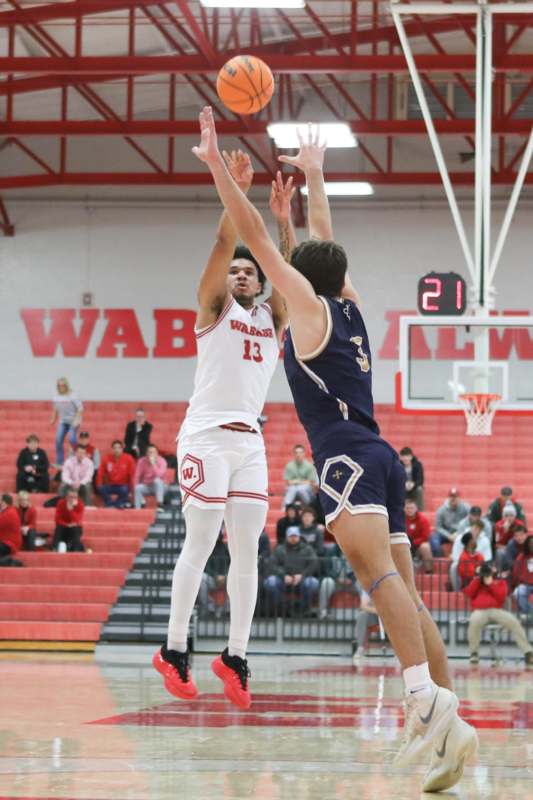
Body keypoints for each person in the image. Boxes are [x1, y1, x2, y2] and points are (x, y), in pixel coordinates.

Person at [195, 107, 476, 788]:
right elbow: (320, 243)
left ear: (298, 277)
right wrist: (314, 178)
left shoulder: (309, 309)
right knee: (404, 593)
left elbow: (261, 241)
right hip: (379, 453)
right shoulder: (346, 304)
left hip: (346, 456)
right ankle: (446, 725)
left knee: (378, 584)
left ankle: (423, 702)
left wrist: (215, 169)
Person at [153, 150, 290, 712]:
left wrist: (283, 221)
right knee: (202, 541)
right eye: (236, 270)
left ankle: (235, 655)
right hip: (206, 436)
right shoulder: (214, 309)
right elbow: (219, 248)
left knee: (249, 552)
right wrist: (232, 191)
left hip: (249, 441)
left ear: (259, 281)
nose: (240, 273)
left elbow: (287, 270)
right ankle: (174, 648)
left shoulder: (272, 318)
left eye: (248, 270)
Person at [463, 562, 532, 667]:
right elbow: (468, 593)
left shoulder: (500, 582)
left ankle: (528, 652)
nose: (486, 574)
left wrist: (490, 584)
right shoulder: (477, 582)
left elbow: (501, 597)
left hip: (496, 610)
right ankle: (474, 653)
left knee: (514, 622)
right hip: (480, 611)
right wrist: (478, 579)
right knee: (474, 620)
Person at [263, 528, 319, 615]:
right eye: (291, 536)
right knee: (270, 582)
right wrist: (283, 575)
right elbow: (272, 565)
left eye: (295, 536)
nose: (293, 538)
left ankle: (304, 609)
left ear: (299, 537)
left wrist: (302, 575)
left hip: (302, 579)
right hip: (282, 579)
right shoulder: (279, 549)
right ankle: (280, 608)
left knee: (312, 583)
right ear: (287, 537)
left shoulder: (308, 549)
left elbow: (314, 564)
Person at [318, 542, 357, 620]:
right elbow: (327, 569)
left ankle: (365, 612)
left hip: (351, 582)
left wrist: (352, 579)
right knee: (327, 581)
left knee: (363, 583)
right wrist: (336, 578)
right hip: (336, 582)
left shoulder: (355, 551)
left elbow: (360, 569)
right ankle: (323, 611)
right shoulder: (331, 551)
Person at [51, 377, 83, 469]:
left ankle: (78, 454)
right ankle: (60, 461)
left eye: (63, 385)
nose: (61, 387)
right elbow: (55, 409)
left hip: (73, 421)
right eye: (59, 385)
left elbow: (80, 408)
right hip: (63, 421)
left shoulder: (72, 395)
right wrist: (53, 418)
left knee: (72, 439)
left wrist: (76, 420)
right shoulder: (56, 397)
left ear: (66, 385)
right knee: (58, 440)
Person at [450, 519, 491, 591]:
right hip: (466, 575)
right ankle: (457, 590)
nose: (476, 531)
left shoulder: (483, 544)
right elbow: (456, 558)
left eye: (479, 529)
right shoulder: (461, 540)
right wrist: (476, 571)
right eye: (475, 528)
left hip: (478, 575)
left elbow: (486, 560)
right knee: (454, 566)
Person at [199, 530, 230, 618]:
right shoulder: (207, 548)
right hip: (212, 578)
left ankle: (226, 610)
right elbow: (205, 567)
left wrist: (225, 575)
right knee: (201, 578)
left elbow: (230, 564)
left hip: (225, 579)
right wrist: (216, 576)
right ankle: (209, 608)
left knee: (236, 580)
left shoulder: (225, 548)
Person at [430, 488, 470, 557]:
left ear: (459, 498)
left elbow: (470, 521)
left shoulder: (466, 507)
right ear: (448, 498)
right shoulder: (441, 510)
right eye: (451, 497)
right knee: (434, 538)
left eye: (455, 497)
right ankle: (440, 560)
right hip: (446, 533)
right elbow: (438, 527)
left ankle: (466, 557)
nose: (453, 499)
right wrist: (449, 536)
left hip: (461, 532)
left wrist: (459, 533)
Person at [97, 440, 136, 508]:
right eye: (115, 448)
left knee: (125, 490)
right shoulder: (106, 458)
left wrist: (131, 489)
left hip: (123, 485)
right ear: (112, 449)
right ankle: (111, 504)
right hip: (110, 485)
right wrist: (99, 484)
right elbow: (100, 473)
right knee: (100, 488)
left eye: (119, 448)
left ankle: (115, 504)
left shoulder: (129, 458)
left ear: (122, 449)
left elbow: (132, 475)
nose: (117, 450)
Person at [134, 444, 168, 509]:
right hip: (147, 485)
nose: (151, 454)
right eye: (149, 452)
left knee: (157, 480)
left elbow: (159, 475)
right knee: (137, 488)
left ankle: (160, 504)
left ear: (157, 453)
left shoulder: (162, 461)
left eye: (153, 452)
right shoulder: (141, 461)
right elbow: (137, 476)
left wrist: (153, 464)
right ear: (146, 453)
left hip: (161, 487)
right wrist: (135, 486)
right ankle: (137, 509)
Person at [352, 590, 380, 664]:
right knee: (362, 615)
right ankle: (360, 647)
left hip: (389, 615)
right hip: (374, 615)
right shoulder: (368, 588)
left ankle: (400, 652)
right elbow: (363, 606)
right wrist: (376, 610)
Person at [405, 499, 433, 573]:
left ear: (416, 508)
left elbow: (425, 537)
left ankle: (429, 571)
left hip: (418, 545)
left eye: (412, 508)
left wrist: (413, 543)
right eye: (407, 508)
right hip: (405, 544)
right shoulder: (401, 520)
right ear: (404, 509)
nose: (409, 510)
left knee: (425, 546)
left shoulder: (423, 520)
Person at [511, 535, 532, 617]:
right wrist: (517, 583)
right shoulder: (522, 556)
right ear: (527, 544)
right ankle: (529, 614)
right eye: (530, 543)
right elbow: (516, 572)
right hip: (525, 584)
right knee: (518, 592)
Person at [0, 494, 22, 564]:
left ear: (3, 502)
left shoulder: (9, 513)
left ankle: (11, 562)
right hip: (6, 543)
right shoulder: (8, 511)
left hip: (9, 544)